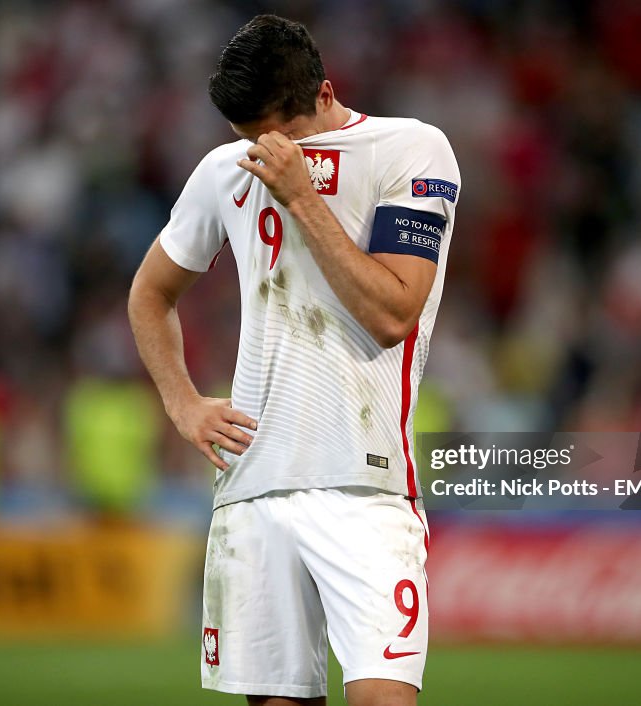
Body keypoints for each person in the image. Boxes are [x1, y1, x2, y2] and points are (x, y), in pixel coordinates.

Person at [128, 15, 460, 706]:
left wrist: (303, 195)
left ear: (326, 92)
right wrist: (183, 402)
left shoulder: (411, 150)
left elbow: (394, 312)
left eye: (279, 135)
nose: (263, 155)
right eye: (248, 139)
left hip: (366, 488)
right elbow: (150, 294)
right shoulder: (223, 170)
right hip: (255, 488)